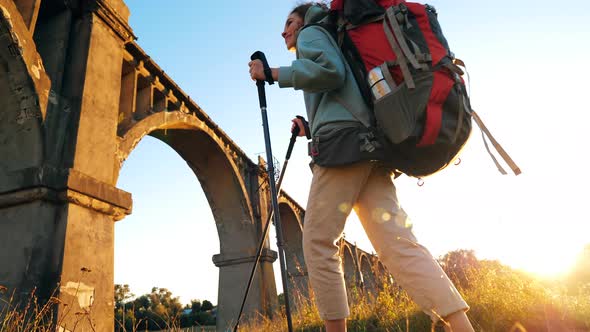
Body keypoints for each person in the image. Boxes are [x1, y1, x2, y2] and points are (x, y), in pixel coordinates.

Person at [248, 2, 475, 332]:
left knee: (317, 241)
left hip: (343, 151)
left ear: (304, 20)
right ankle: (461, 325)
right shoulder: (336, 37)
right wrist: (311, 127)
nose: (284, 30)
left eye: (289, 22)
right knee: (399, 245)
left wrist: (271, 74)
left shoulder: (312, 33)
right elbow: (348, 93)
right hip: (370, 150)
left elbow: (330, 74)